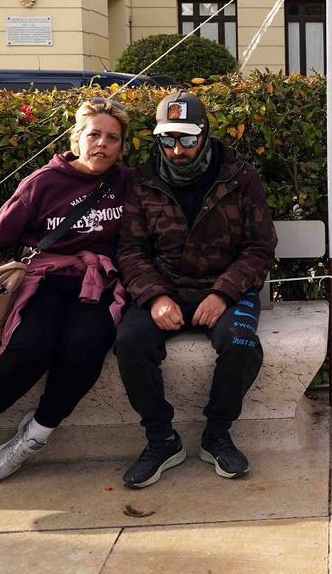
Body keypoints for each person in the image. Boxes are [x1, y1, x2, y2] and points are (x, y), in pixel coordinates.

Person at [0, 97, 132, 483]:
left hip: (98, 285)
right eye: (94, 134)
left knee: (85, 349)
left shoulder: (126, 183)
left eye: (112, 138)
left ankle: (36, 434)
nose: (102, 144)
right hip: (45, 281)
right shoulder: (41, 183)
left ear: (121, 146)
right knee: (31, 347)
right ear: (77, 136)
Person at [114, 90, 276, 489]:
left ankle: (217, 433)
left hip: (226, 286)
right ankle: (161, 440)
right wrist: (154, 296)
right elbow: (131, 250)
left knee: (240, 342)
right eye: (168, 139)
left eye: (187, 139)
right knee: (130, 343)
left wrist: (223, 293)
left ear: (204, 135)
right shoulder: (142, 180)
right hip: (165, 287)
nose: (177, 149)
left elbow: (260, 248)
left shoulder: (239, 177)